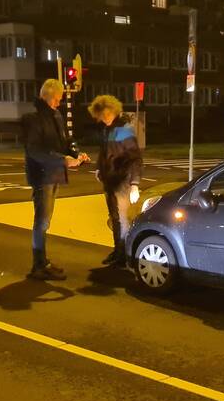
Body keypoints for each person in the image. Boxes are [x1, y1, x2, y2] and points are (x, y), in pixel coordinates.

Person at [21, 79, 89, 280]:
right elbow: (34, 150)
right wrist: (63, 159)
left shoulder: (56, 116)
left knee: (45, 221)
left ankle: (43, 262)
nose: (58, 103)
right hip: (42, 176)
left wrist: (76, 154)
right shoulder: (32, 119)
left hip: (55, 173)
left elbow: (66, 141)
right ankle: (38, 265)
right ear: (47, 97)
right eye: (56, 99)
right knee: (41, 222)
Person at [89, 95, 143, 267]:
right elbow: (104, 152)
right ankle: (118, 251)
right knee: (114, 217)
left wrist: (134, 184)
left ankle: (124, 255)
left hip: (122, 181)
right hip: (110, 180)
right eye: (100, 117)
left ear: (112, 111)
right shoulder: (108, 129)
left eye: (104, 115)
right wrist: (99, 168)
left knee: (121, 218)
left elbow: (135, 158)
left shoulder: (124, 130)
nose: (103, 119)